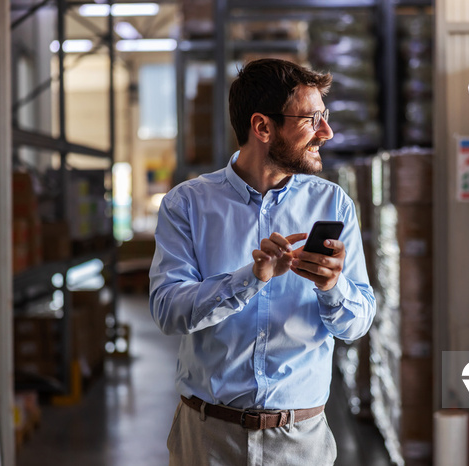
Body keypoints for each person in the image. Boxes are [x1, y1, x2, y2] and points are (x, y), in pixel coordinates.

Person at [149, 58, 376, 466]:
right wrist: (249, 279)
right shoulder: (187, 204)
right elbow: (168, 311)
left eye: (325, 117)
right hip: (207, 439)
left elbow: (357, 324)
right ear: (263, 127)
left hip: (301, 443)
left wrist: (332, 287)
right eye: (312, 120)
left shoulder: (333, 203)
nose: (327, 132)